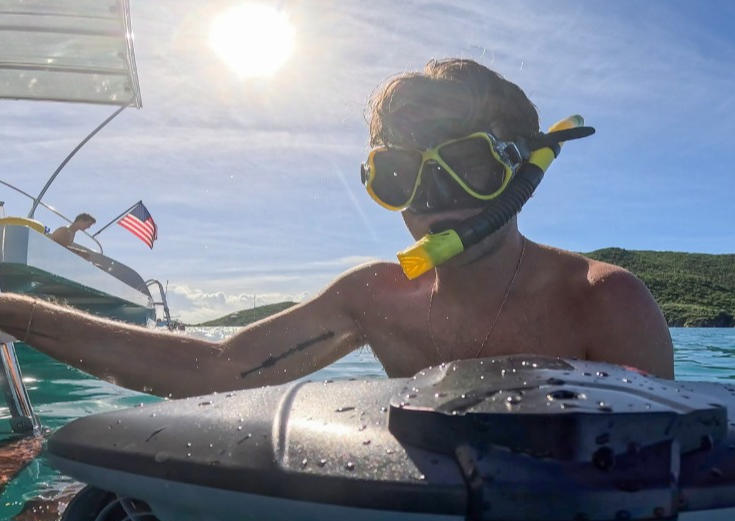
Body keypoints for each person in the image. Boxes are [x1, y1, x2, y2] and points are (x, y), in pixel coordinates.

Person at [0, 59, 671, 395]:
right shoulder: (376, 298)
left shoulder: (603, 301)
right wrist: (12, 311)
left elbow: (672, 476)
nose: (434, 200)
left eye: (466, 165)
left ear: (522, 173)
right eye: (399, 175)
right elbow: (219, 367)